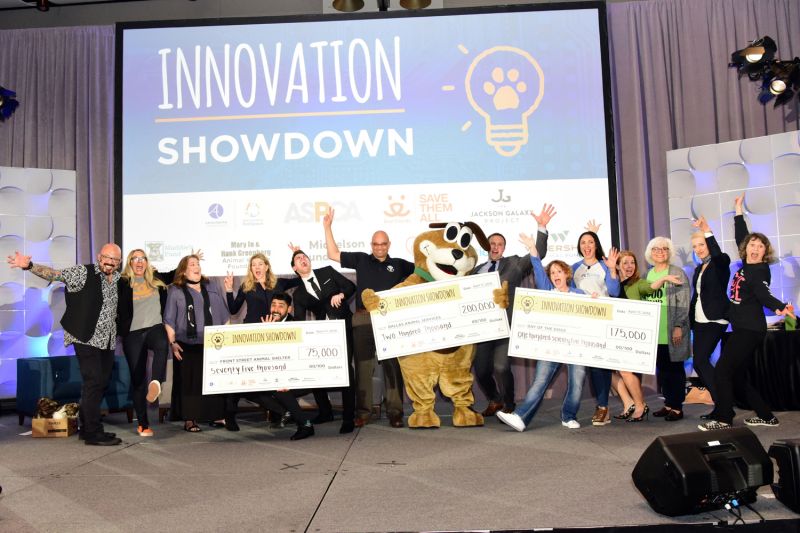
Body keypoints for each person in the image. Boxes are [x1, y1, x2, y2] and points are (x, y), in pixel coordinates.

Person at [8, 244, 124, 446]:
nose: (110, 262)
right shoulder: (82, 272)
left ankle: (87, 429)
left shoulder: (117, 279)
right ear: (99, 256)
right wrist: (29, 266)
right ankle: (93, 432)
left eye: (115, 260)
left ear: (119, 262)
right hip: (85, 337)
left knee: (99, 383)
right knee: (94, 381)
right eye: (107, 257)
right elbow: (55, 274)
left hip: (107, 339)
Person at [699, 195, 795, 431]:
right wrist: (738, 211)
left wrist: (780, 307)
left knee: (722, 370)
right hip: (742, 327)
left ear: (765, 253)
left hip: (750, 330)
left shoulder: (759, 272)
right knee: (738, 376)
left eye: (760, 246)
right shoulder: (747, 265)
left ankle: (723, 418)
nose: (754, 248)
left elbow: (763, 295)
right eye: (752, 245)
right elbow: (741, 235)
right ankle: (766, 416)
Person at [322, 208, 414, 428]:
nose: (379, 247)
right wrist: (327, 227)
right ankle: (363, 412)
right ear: (371, 245)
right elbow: (333, 254)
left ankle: (395, 412)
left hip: (390, 320)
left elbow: (426, 274)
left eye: (383, 244)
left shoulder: (400, 264)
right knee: (363, 367)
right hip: (363, 319)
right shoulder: (361, 260)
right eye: (376, 244)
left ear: (389, 245)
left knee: (393, 367)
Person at [495, 234, 591, 431]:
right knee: (539, 381)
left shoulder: (580, 295)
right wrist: (532, 249)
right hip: (552, 346)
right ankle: (521, 418)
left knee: (577, 381)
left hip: (576, 346)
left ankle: (569, 416)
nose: (555, 275)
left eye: (558, 271)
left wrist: (597, 300)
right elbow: (538, 269)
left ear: (566, 274)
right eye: (552, 273)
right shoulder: (547, 292)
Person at [470, 205, 552, 416]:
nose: (495, 247)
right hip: (483, 330)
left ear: (504, 248)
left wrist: (541, 227)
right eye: (492, 243)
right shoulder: (475, 271)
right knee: (480, 370)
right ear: (486, 246)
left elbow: (538, 253)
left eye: (500, 244)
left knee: (501, 367)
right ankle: (494, 399)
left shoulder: (514, 264)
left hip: (505, 327)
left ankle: (509, 403)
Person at [549, 217, 620, 426]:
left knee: (600, 366)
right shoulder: (574, 267)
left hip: (601, 319)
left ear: (596, 245)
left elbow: (614, 292)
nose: (587, 246)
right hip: (579, 322)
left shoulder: (605, 265)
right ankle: (573, 412)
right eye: (583, 243)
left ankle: (603, 407)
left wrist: (613, 270)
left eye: (590, 242)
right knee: (581, 367)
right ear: (579, 247)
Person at [222, 252, 300, 429]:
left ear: (266, 266)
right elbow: (234, 310)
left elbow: (301, 277)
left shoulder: (278, 283)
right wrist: (228, 290)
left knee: (270, 376)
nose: (256, 267)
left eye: (260, 264)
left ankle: (279, 411)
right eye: (253, 265)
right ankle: (230, 417)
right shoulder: (246, 286)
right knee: (242, 377)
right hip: (251, 337)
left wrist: (296, 255)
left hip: (273, 337)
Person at [290, 249, 357, 434]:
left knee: (346, 371)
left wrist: (341, 295)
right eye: (298, 259)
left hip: (343, 328)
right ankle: (325, 412)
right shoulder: (299, 294)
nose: (303, 259)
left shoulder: (327, 271)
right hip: (322, 335)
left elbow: (351, 287)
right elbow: (300, 323)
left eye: (304, 256)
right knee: (315, 368)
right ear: (295, 268)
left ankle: (348, 418)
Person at [163, 254, 230, 433]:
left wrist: (228, 340)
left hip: (212, 343)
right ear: (184, 271)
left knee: (212, 380)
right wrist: (172, 343)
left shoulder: (212, 286)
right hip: (186, 344)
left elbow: (224, 316)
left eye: (198, 264)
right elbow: (169, 319)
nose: (196, 266)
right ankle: (190, 419)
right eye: (192, 264)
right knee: (189, 383)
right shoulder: (175, 290)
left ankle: (215, 414)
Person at [612, 250, 681, 422]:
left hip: (634, 335)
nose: (629, 266)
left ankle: (640, 405)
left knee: (627, 371)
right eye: (625, 263)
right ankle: (634, 404)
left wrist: (664, 279)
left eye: (632, 263)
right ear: (618, 265)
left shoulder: (638, 283)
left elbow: (651, 287)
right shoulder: (612, 284)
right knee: (617, 371)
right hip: (617, 334)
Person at [117, 248, 178, 437]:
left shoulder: (156, 279)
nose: (139, 261)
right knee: (137, 379)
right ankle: (143, 424)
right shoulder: (122, 283)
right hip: (132, 334)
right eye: (134, 259)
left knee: (162, 344)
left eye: (142, 258)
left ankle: (156, 382)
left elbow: (176, 273)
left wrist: (190, 259)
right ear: (129, 263)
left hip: (154, 327)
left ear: (147, 262)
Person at [641, 237, 691, 422]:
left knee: (675, 369)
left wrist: (678, 326)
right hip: (654, 331)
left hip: (672, 329)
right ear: (650, 252)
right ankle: (668, 404)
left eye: (664, 248)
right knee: (662, 369)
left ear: (669, 252)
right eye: (655, 249)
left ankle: (677, 407)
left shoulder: (677, 272)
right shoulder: (647, 275)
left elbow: (683, 303)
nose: (660, 252)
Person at [253, 292, 315, 440]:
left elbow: (297, 356)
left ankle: (305, 425)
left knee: (279, 388)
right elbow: (258, 355)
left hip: (299, 376)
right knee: (248, 387)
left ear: (289, 310)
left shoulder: (297, 326)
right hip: (273, 375)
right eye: (273, 305)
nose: (276, 309)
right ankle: (285, 411)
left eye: (281, 306)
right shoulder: (263, 323)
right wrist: (266, 332)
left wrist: (288, 379)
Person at [688, 216, 731, 420]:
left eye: (701, 244)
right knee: (699, 363)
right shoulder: (699, 268)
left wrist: (707, 231)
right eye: (695, 246)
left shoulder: (721, 263)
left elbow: (718, 255)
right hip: (699, 320)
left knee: (702, 360)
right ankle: (721, 405)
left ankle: (724, 406)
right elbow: (696, 296)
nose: (698, 249)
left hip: (715, 319)